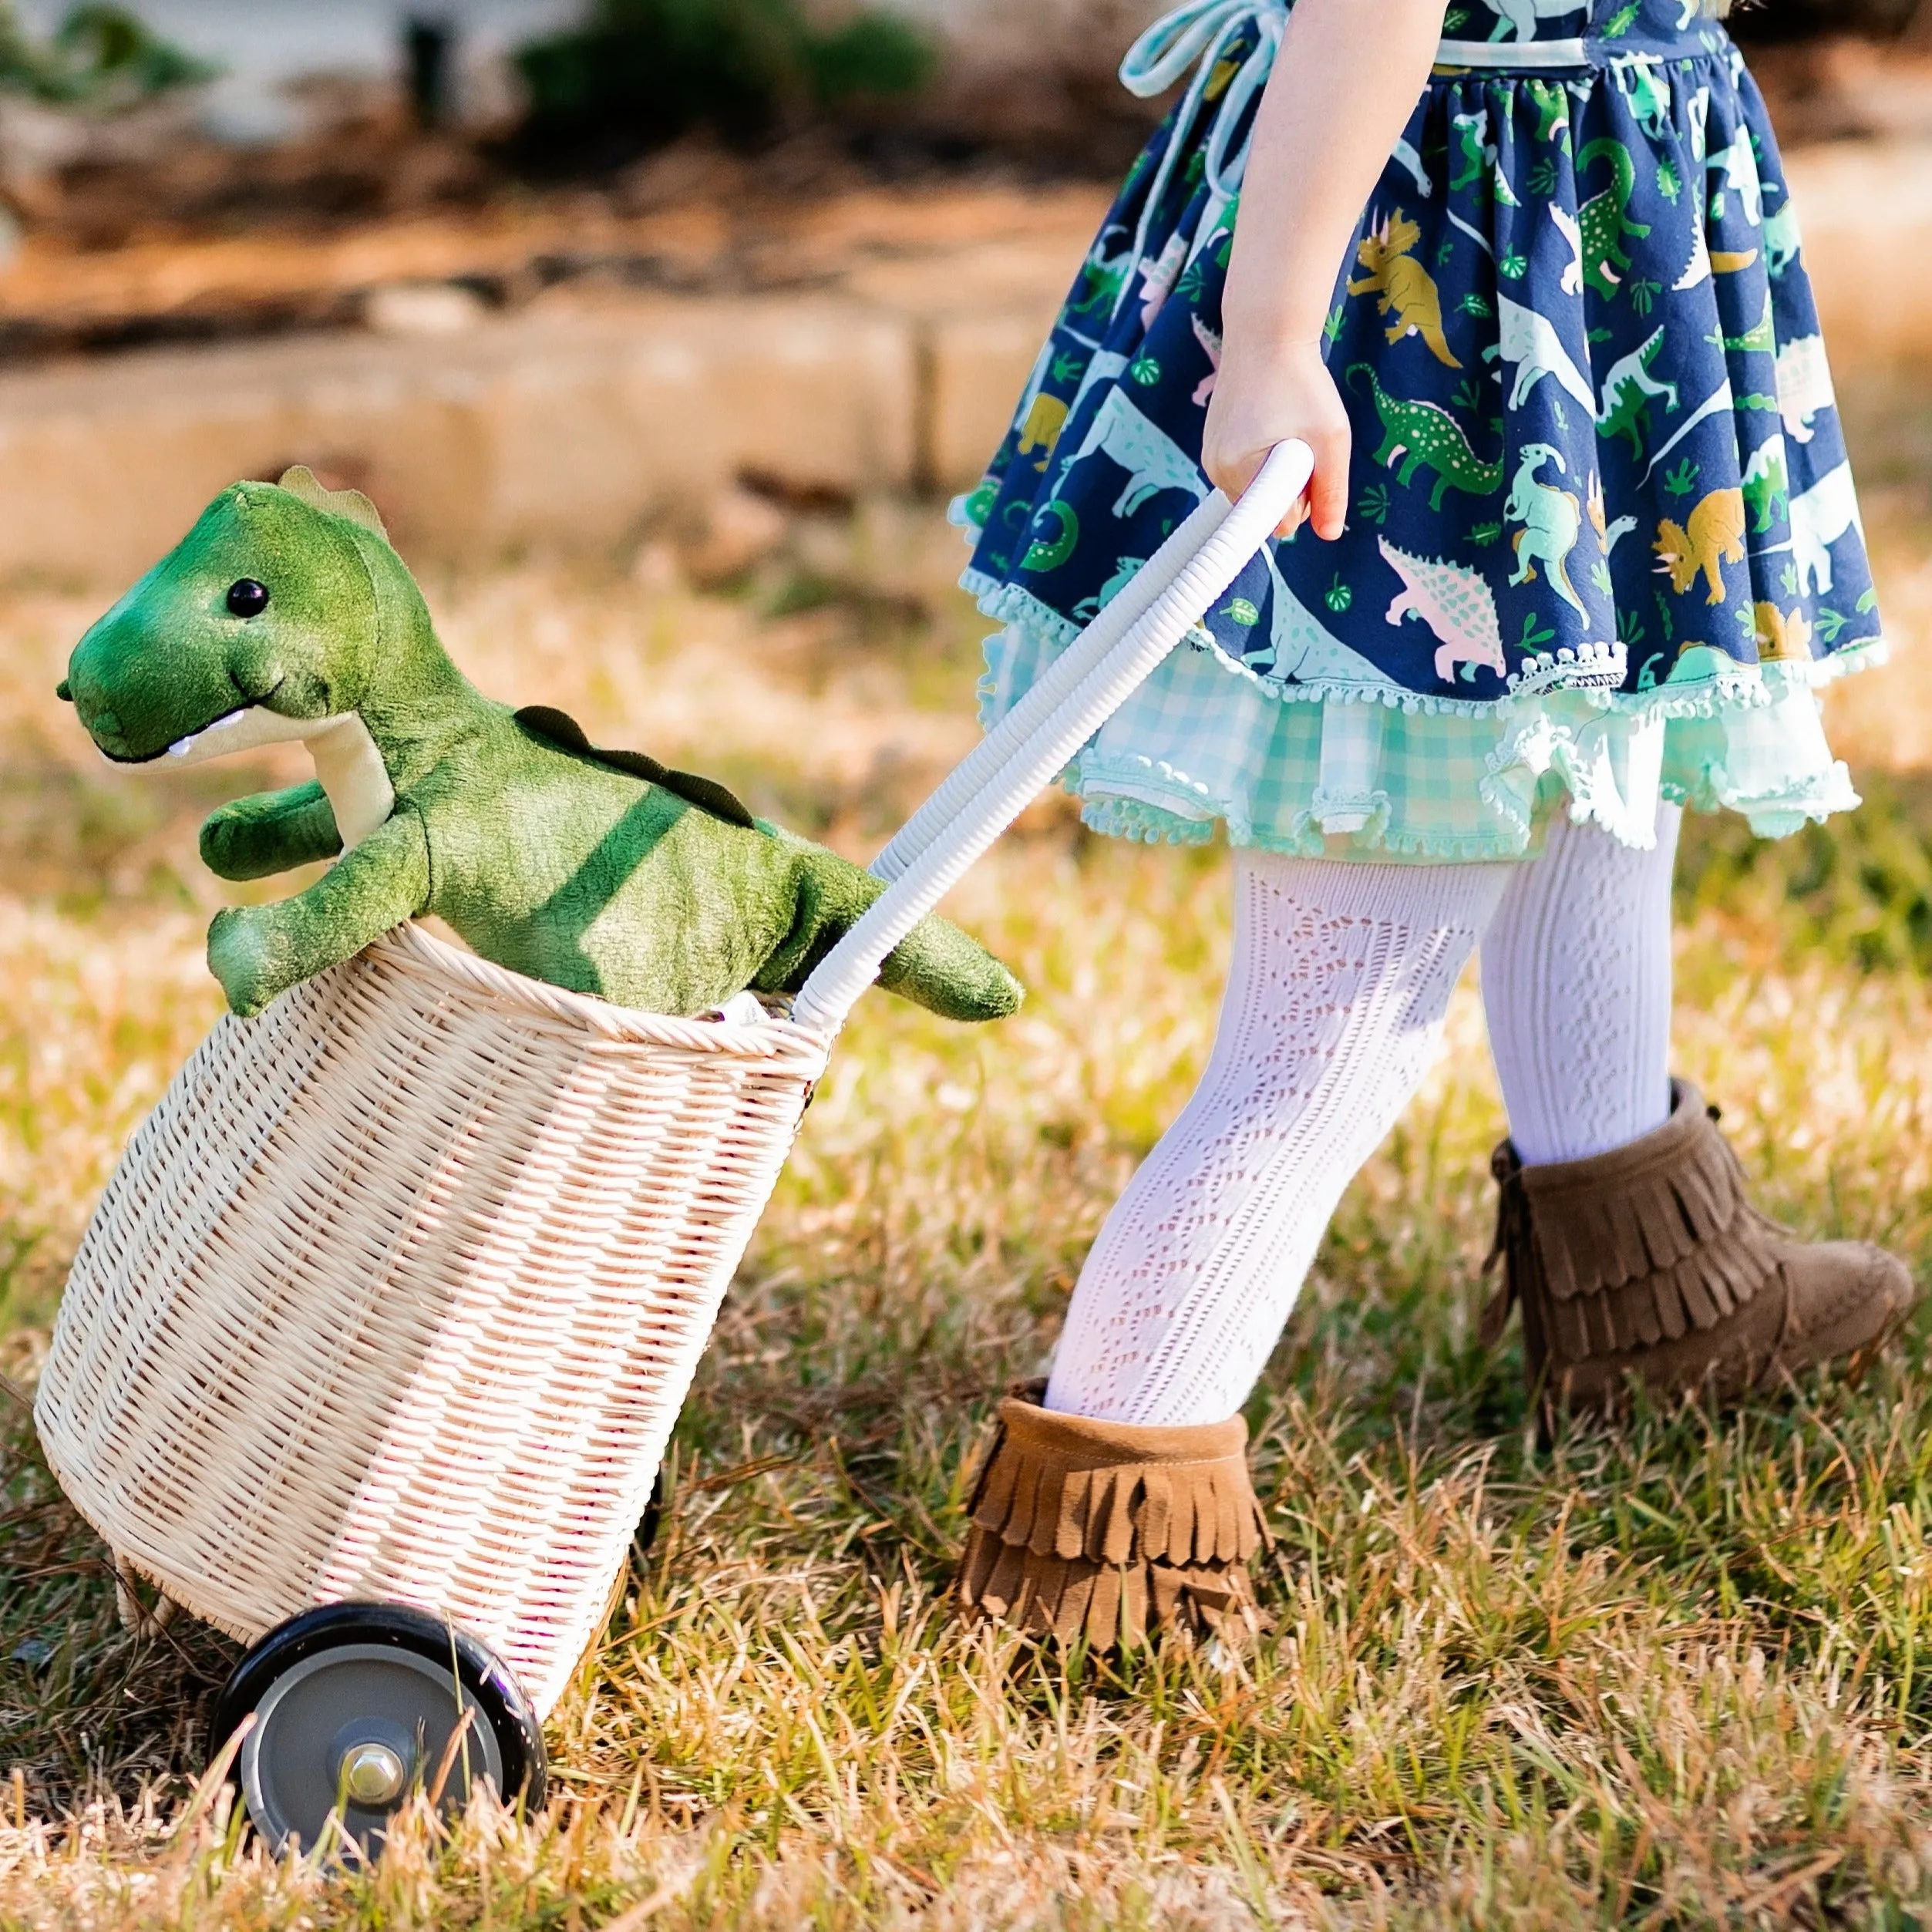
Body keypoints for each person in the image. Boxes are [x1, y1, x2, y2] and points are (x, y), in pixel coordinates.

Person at [951, 0, 1917, 1651]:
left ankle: (1650, 1298)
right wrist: (1268, 336)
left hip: (1573, 222)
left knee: (1591, 764)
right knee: (1339, 1008)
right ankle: (1087, 1550)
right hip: (1454, 274)